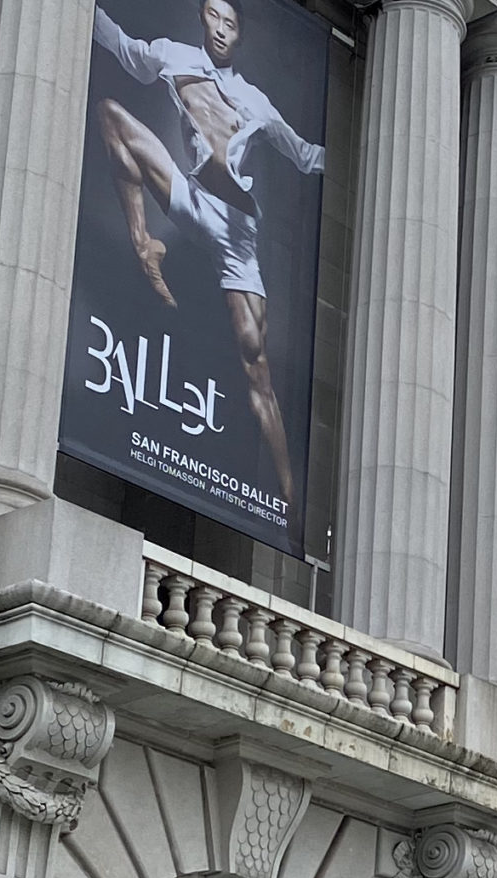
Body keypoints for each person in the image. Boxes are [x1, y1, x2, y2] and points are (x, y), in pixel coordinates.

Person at [92, 1, 326, 517]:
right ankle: (143, 241)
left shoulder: (256, 101)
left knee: (257, 367)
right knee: (111, 116)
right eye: (214, 17)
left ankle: (288, 499)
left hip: (239, 235)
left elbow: (306, 156)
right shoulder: (172, 57)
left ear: (239, 35)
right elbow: (121, 46)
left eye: (231, 23)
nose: (220, 29)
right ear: (203, 19)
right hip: (193, 202)